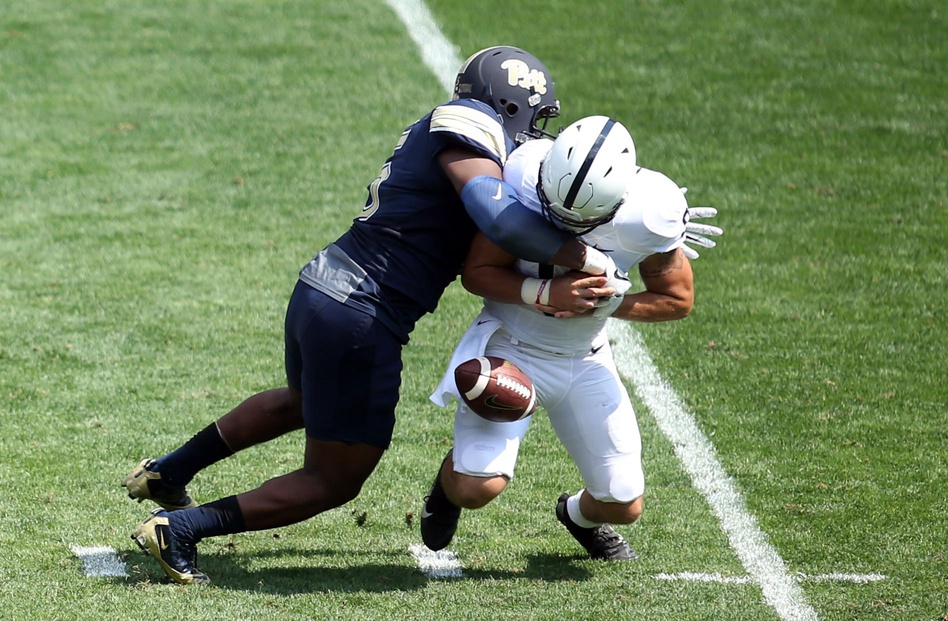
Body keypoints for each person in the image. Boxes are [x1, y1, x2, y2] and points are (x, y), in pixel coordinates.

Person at [125, 46, 627, 584]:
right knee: (334, 481)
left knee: (303, 402)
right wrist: (586, 258)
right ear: (508, 105)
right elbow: (497, 217)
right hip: (362, 314)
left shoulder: (462, 128)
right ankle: (179, 528)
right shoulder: (468, 125)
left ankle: (167, 471)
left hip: (324, 288)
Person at [420, 115, 722, 560]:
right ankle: (447, 490)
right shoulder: (523, 177)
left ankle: (577, 515)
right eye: (552, 210)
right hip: (510, 346)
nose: (561, 225)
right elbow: (477, 272)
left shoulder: (649, 215)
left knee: (623, 502)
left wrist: (610, 302)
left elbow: (676, 300)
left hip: (586, 357)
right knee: (476, 486)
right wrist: (545, 291)